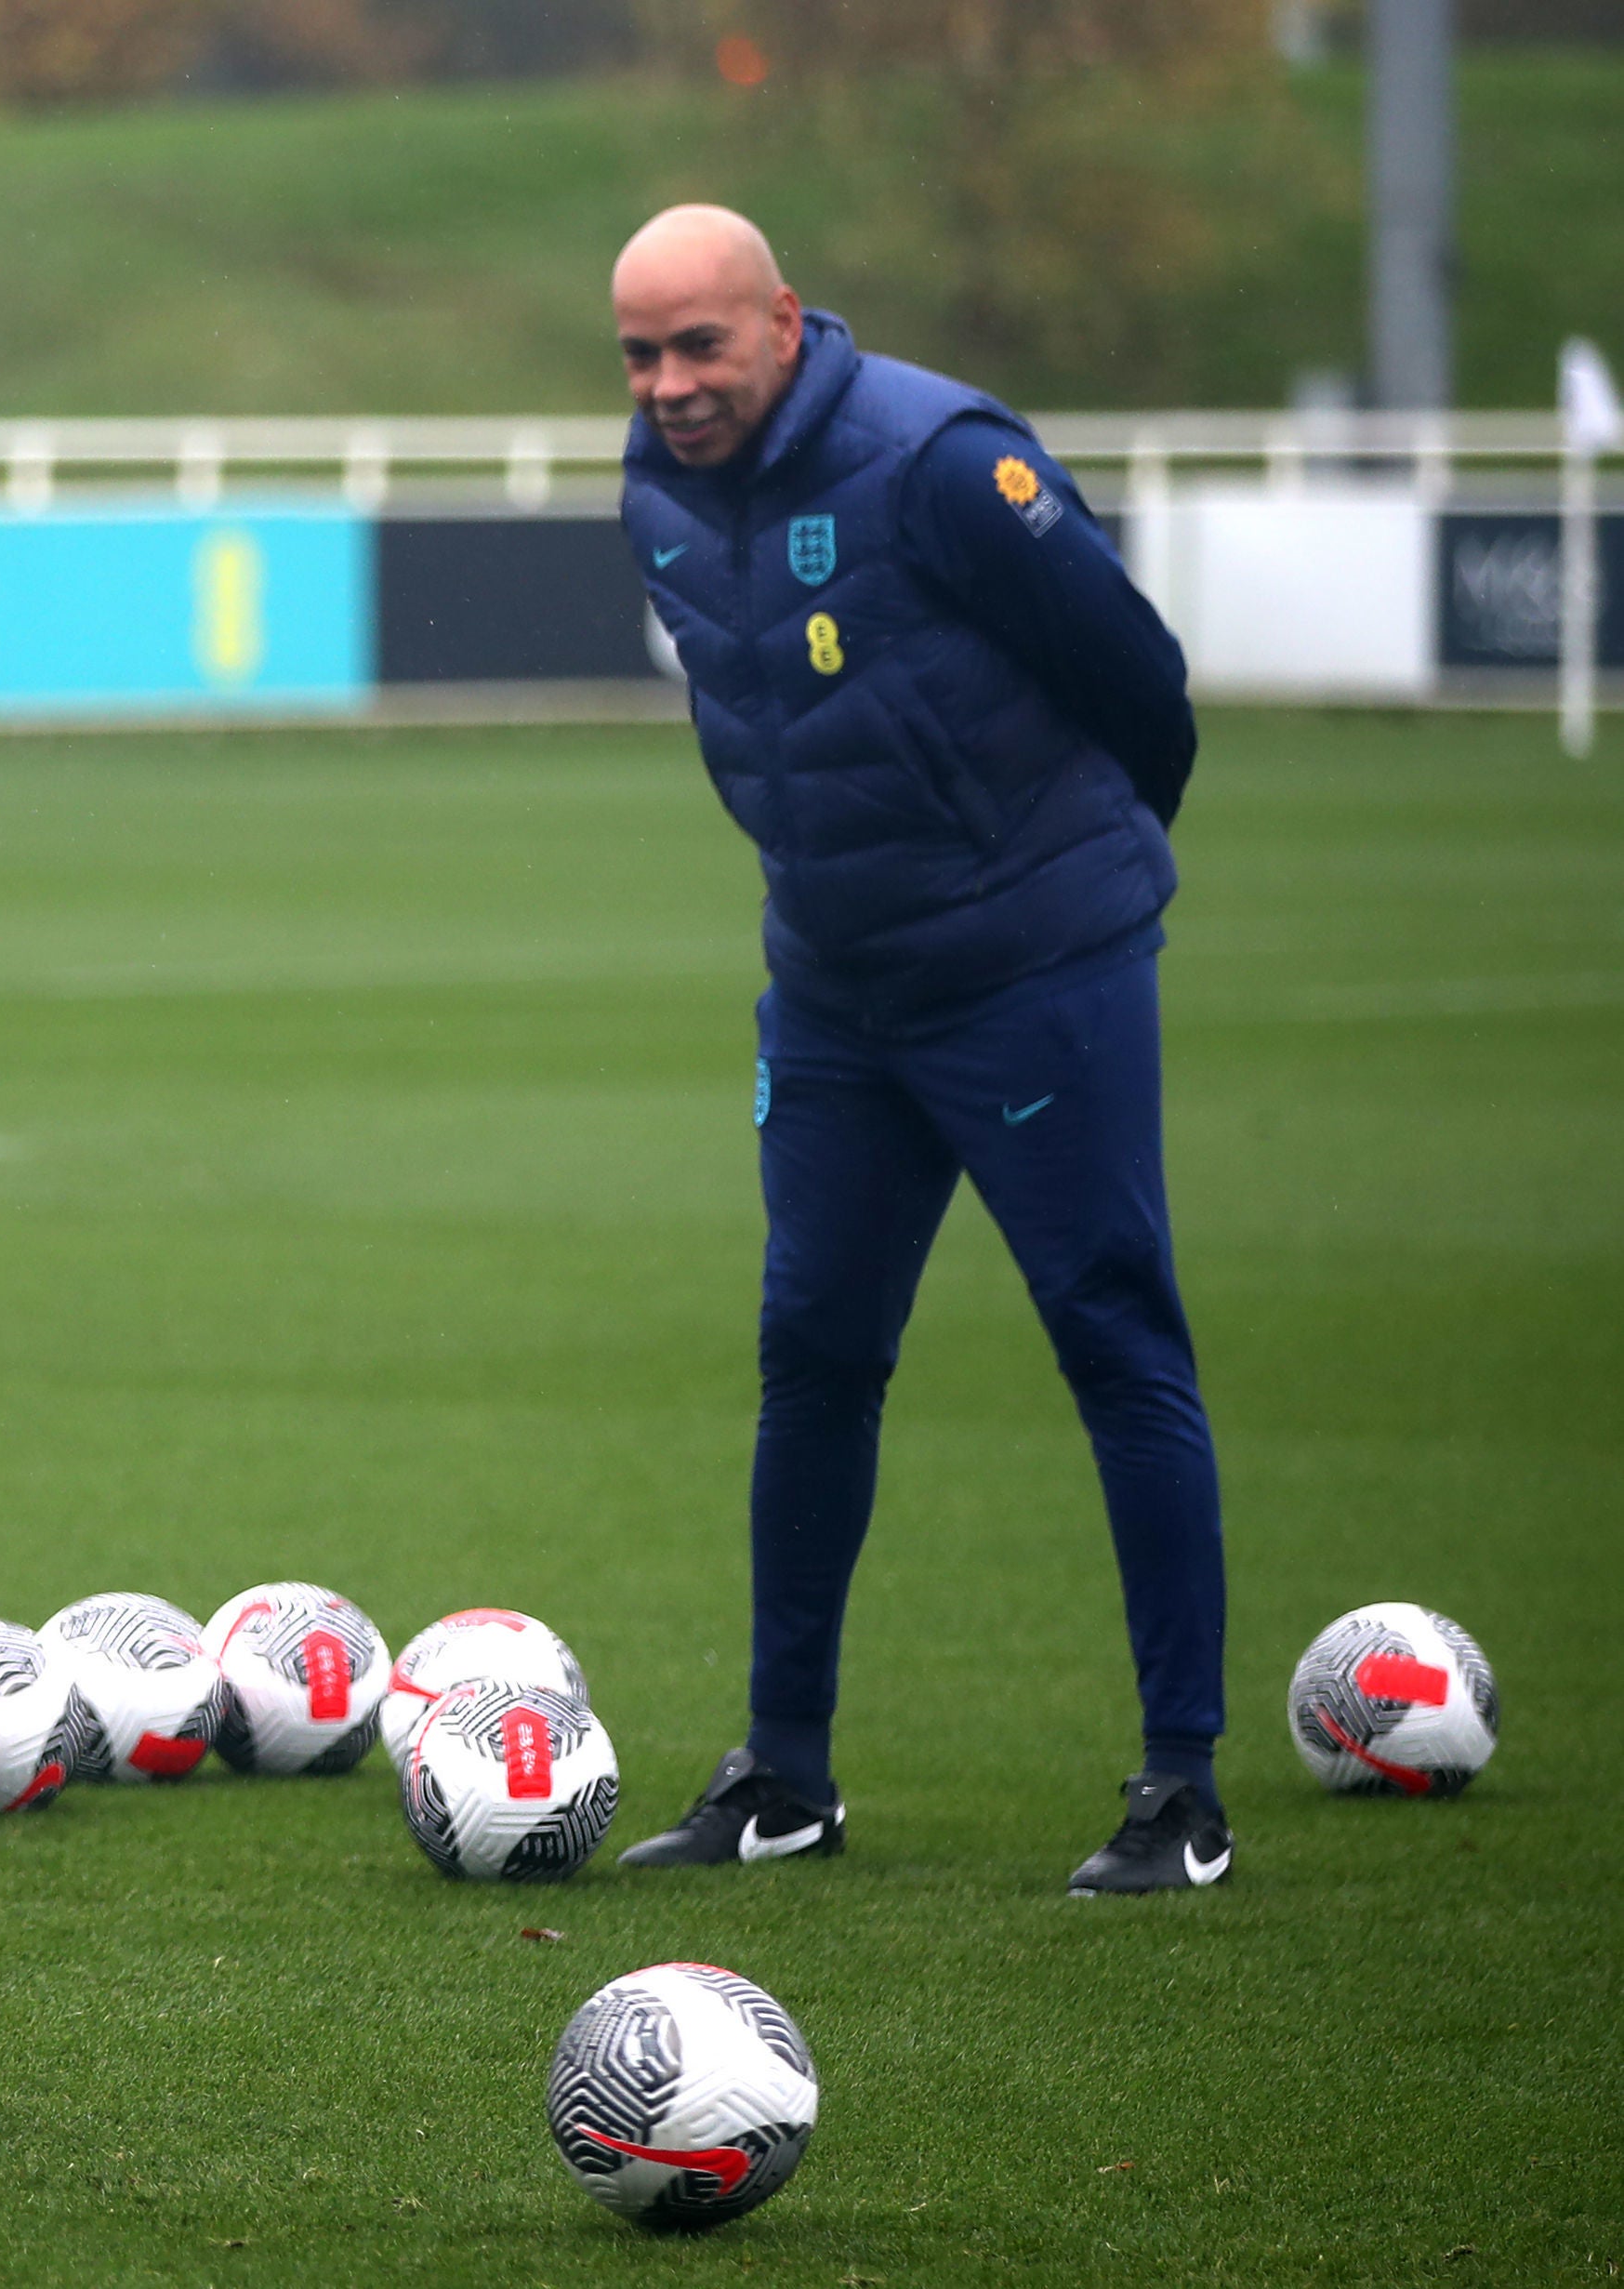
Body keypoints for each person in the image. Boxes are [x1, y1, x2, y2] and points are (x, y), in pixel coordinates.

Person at [602, 205, 1231, 1896]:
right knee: (811, 1348)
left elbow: (1138, 679)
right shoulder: (653, 488)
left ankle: (1183, 1788)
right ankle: (783, 1775)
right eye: (640, 354)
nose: (668, 385)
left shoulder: (944, 463)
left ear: (786, 323)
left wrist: (1064, 895)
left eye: (699, 347)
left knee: (1114, 1335)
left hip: (1037, 972)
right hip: (831, 994)